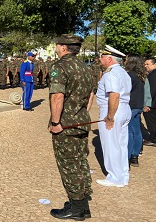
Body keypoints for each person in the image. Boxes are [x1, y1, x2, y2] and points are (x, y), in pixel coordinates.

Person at [48, 35, 95, 220]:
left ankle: (76, 210)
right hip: (81, 121)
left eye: (58, 45)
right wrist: (80, 113)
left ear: (64, 47)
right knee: (81, 163)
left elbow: (57, 96)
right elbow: (91, 94)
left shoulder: (60, 66)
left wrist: (55, 122)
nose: (56, 47)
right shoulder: (86, 67)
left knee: (69, 166)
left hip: (65, 126)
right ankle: (81, 205)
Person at [96, 45, 131, 188]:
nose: (99, 59)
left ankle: (114, 177)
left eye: (102, 57)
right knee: (121, 144)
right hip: (123, 109)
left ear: (109, 58)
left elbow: (114, 95)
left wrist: (110, 116)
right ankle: (122, 175)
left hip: (113, 109)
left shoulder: (110, 73)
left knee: (111, 145)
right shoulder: (122, 72)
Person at [124, 55, 146, 167]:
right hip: (138, 105)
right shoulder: (140, 75)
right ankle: (135, 155)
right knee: (136, 131)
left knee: (129, 132)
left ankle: (128, 156)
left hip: (131, 105)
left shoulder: (129, 75)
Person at [142, 57, 156, 147]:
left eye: (148, 64)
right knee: (154, 121)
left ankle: (154, 140)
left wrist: (147, 104)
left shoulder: (155, 74)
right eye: (145, 64)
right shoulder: (155, 73)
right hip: (154, 102)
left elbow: (152, 90)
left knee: (152, 122)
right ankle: (155, 138)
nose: (145, 66)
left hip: (152, 103)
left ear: (155, 64)